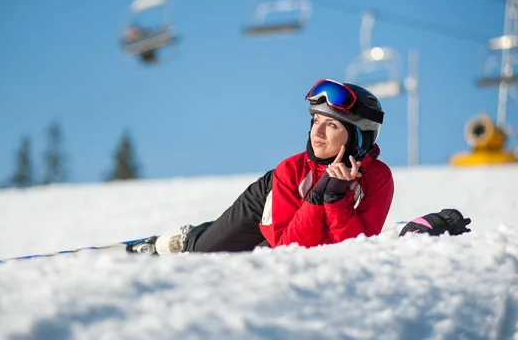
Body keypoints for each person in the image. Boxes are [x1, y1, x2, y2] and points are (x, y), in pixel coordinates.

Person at [128, 78, 395, 255]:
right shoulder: (290, 170)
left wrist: (335, 199)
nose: (318, 131)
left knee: (261, 251)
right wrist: (316, 197)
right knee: (204, 252)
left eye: (332, 125)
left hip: (293, 227)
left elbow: (356, 248)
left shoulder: (378, 178)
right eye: (316, 121)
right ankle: (190, 237)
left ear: (359, 137)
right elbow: (287, 246)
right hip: (266, 200)